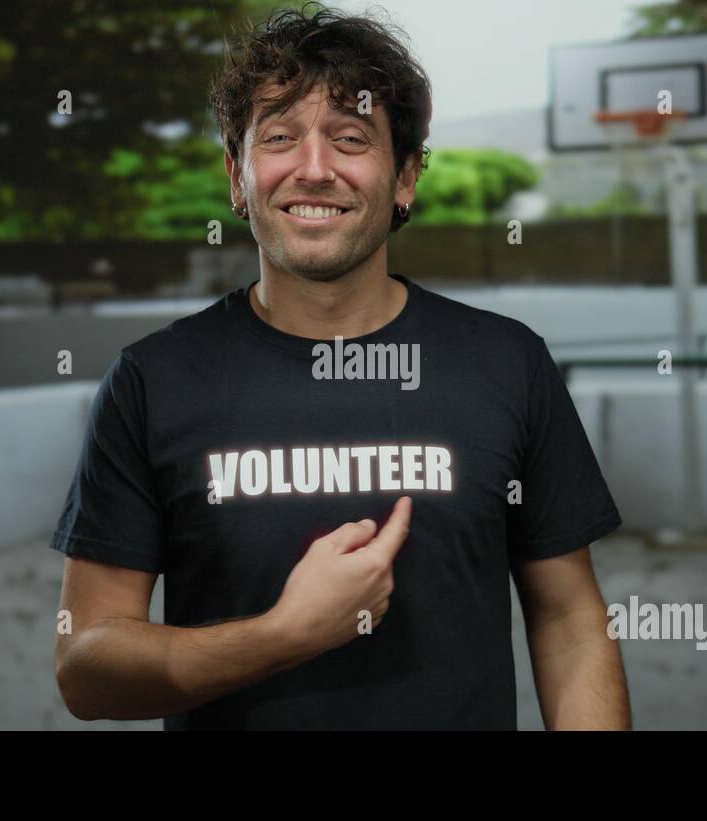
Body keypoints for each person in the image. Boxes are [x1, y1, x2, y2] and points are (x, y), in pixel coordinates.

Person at [50, 3, 628, 730]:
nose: (315, 169)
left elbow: (570, 620)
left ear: (407, 175)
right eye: (281, 137)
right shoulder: (152, 381)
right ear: (237, 176)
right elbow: (86, 667)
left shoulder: (506, 363)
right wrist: (282, 635)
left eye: (350, 138)